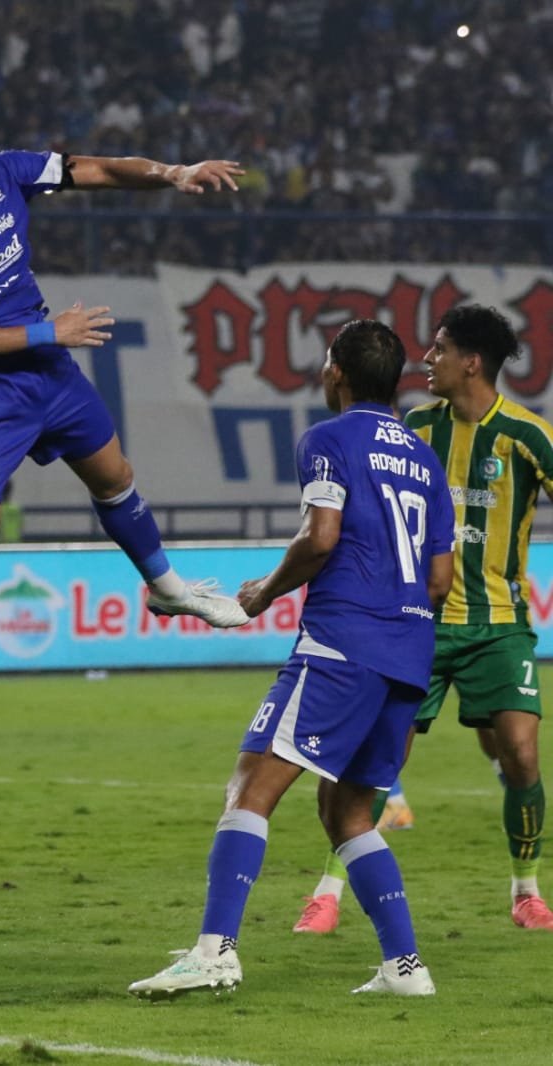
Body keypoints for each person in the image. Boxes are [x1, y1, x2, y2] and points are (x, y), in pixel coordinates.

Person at [0, 86, 250, 782]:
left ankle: (167, 588)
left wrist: (174, 172)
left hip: (52, 375)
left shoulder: (0, 172)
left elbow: (93, 169)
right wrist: (52, 331)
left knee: (115, 477)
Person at [129, 320, 453, 999]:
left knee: (250, 788)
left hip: (342, 644)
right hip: (409, 654)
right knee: (348, 813)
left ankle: (214, 952)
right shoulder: (425, 460)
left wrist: (262, 594)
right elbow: (440, 579)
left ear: (337, 372)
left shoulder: (328, 440)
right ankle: (405, 967)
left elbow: (321, 536)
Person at [294, 305, 553, 935]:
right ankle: (327, 892)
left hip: (499, 623)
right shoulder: (413, 429)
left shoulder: (527, 435)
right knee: (381, 761)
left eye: (439, 349)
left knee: (522, 756)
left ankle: (526, 891)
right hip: (418, 624)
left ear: (472, 362)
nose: (427, 359)